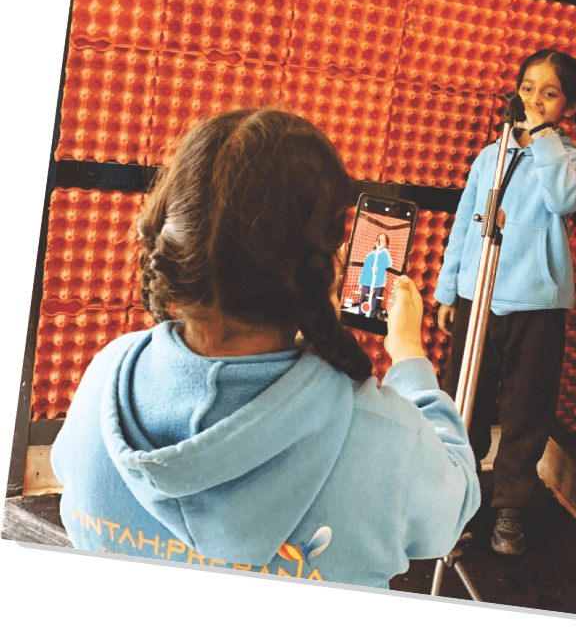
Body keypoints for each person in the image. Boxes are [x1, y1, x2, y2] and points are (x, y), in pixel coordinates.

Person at [51, 108, 480, 588]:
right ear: (327, 262)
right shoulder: (387, 438)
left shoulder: (103, 378)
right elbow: (454, 506)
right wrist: (409, 356)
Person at [434, 49, 576, 556]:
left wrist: (542, 138)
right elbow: (465, 222)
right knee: (465, 404)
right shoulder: (490, 156)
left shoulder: (568, 160)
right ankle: (458, 505)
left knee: (527, 409)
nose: (535, 100)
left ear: (569, 106)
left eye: (549, 93)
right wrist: (449, 288)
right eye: (527, 89)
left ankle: (510, 508)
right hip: (478, 297)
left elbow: (565, 200)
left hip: (537, 306)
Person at [358, 233, 393, 318]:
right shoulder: (371, 254)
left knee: (374, 306)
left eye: (383, 240)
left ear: (386, 243)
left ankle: (372, 320)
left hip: (378, 285)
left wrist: (384, 250)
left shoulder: (385, 255)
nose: (380, 241)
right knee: (363, 304)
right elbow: (365, 269)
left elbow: (388, 264)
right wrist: (361, 283)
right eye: (379, 239)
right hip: (366, 283)